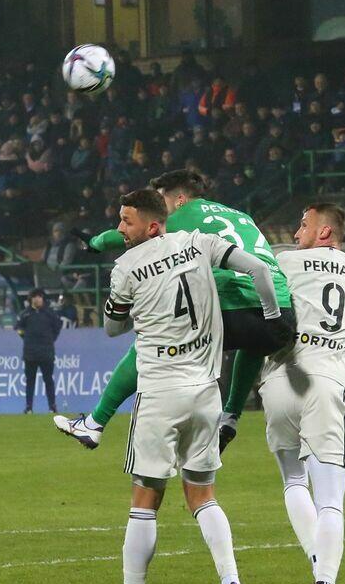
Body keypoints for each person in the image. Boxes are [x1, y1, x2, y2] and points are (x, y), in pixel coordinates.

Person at [94, 188, 283, 584]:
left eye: (126, 221)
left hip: (160, 393)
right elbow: (259, 268)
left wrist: (133, 300)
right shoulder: (199, 242)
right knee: (203, 495)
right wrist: (273, 317)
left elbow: (112, 327)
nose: (120, 229)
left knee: (145, 499)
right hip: (205, 392)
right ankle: (231, 582)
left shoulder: (127, 267)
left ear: (151, 225)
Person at [55, 169, 293, 453]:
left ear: (179, 199)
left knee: (151, 340)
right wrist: (274, 314)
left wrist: (94, 243)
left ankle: (95, 422)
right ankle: (230, 416)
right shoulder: (241, 216)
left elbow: (126, 235)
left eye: (162, 199)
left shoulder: (181, 217)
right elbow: (259, 267)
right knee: (254, 343)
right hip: (279, 308)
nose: (160, 206)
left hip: (230, 307)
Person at [258, 203, 345, 584]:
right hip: (326, 386)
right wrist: (343, 338)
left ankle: (318, 562)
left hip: (279, 383)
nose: (296, 233)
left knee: (294, 482)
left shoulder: (282, 263)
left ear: (325, 231)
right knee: (330, 499)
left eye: (303, 225)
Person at [16, 288, 61, 414]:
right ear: (31, 299)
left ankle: (52, 406)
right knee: (30, 381)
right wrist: (27, 338)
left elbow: (57, 327)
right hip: (30, 353)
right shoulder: (25, 314)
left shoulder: (50, 313)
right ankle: (29, 407)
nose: (38, 299)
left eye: (40, 296)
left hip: (46, 352)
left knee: (48, 380)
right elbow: (19, 328)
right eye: (35, 296)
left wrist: (50, 339)